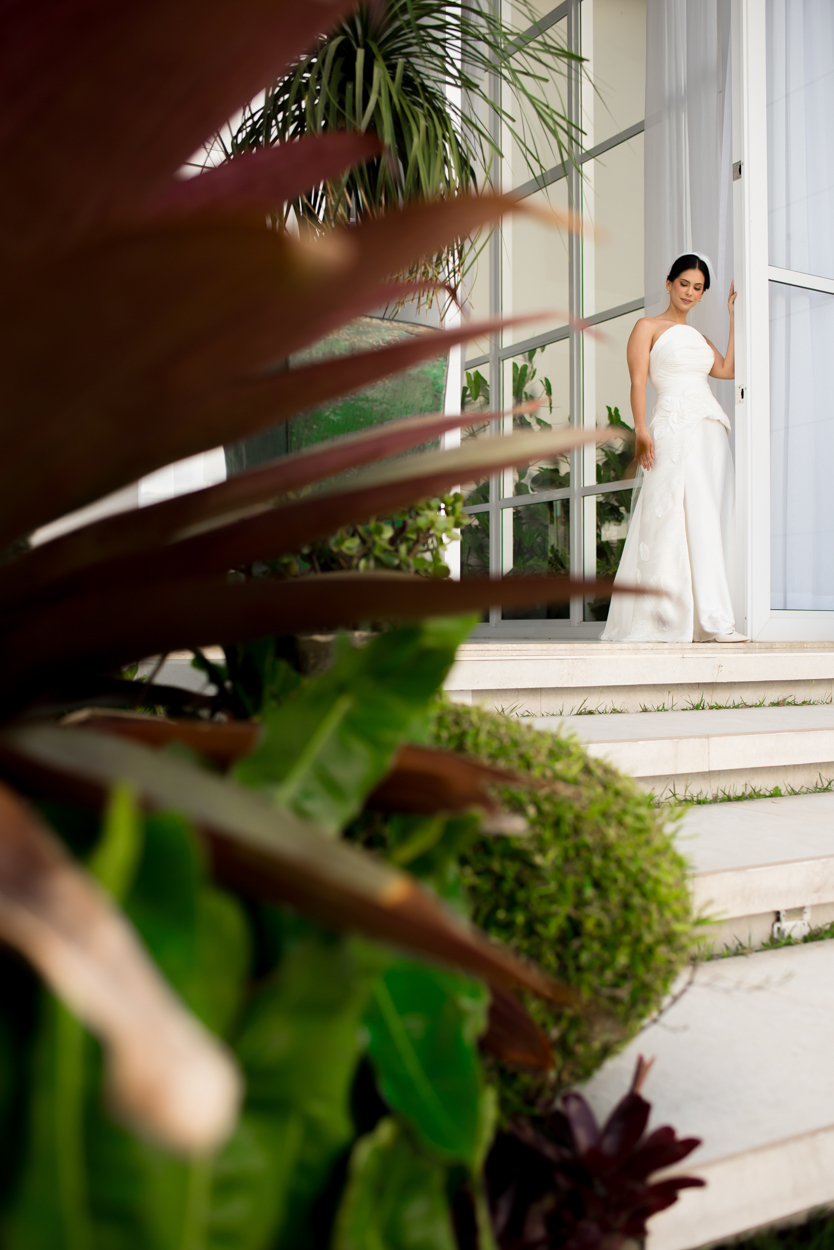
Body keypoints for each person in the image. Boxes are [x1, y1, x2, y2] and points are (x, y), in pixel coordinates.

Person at [601, 252, 747, 643]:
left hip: (710, 432)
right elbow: (637, 382)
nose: (690, 292)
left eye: (698, 288)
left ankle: (711, 617)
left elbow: (727, 370)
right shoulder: (646, 327)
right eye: (684, 284)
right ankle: (667, 618)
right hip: (671, 429)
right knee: (669, 519)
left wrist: (734, 317)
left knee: (707, 517)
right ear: (669, 284)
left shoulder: (700, 338)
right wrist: (640, 429)